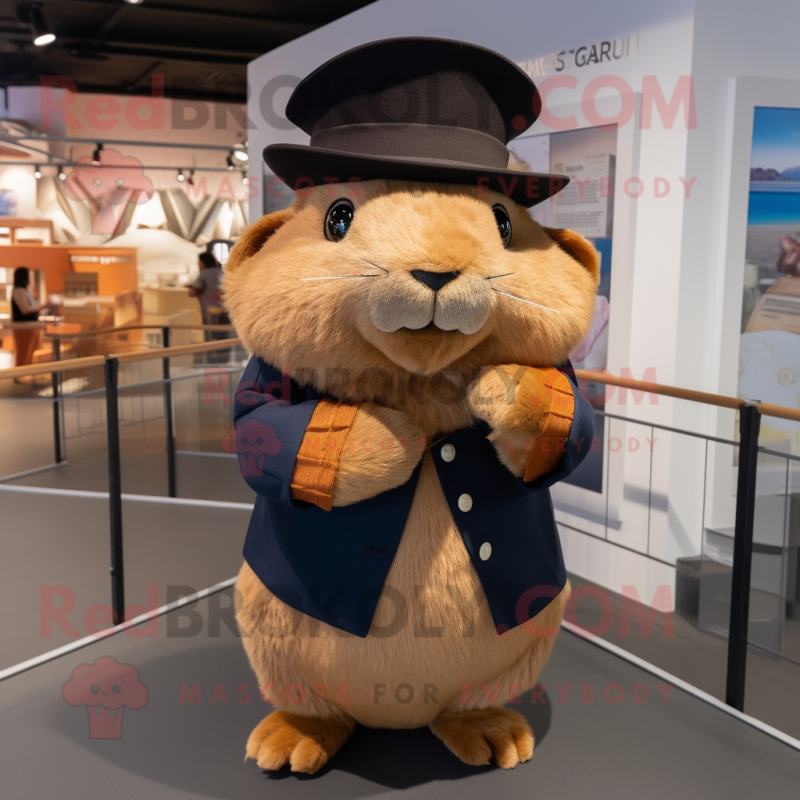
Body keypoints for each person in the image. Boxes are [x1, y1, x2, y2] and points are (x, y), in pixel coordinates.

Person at [187, 252, 232, 363]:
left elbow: (193, 291)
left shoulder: (203, 274)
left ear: (202, 262)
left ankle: (213, 364)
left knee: (211, 339)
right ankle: (225, 362)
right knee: (224, 338)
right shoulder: (222, 272)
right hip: (225, 312)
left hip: (209, 313)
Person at [11, 266, 44, 368]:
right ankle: (20, 375)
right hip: (23, 327)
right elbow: (25, 310)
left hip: (30, 326)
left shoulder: (25, 291)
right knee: (23, 352)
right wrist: (44, 306)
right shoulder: (19, 291)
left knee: (30, 353)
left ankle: (27, 375)